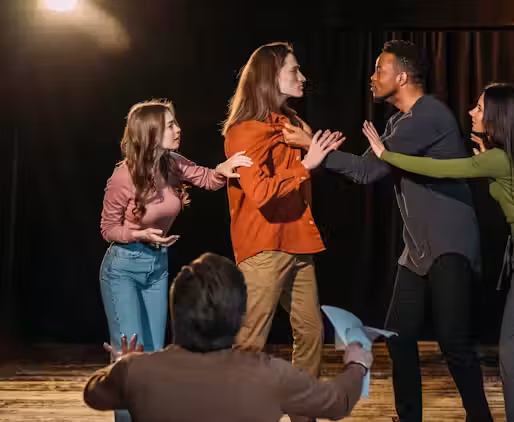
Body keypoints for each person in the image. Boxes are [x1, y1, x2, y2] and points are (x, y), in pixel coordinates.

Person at [283, 40, 493, 422]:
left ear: (402, 77)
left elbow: (367, 170)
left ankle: (481, 418)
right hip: (417, 250)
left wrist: (310, 146)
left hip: (449, 244)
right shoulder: (397, 122)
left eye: (380, 69)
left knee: (454, 342)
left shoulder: (428, 116)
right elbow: (363, 169)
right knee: (399, 335)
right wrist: (315, 145)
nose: (372, 76)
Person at [365, 82, 514, 422]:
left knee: (513, 355)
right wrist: (484, 161)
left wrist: (385, 154)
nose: (471, 112)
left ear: (498, 116)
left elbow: (441, 168)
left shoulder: (498, 159)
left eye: (479, 108)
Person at [84, 252, 373, 422]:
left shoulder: (137, 372)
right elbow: (336, 402)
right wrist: (357, 365)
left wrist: (121, 363)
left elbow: (94, 394)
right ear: (239, 317)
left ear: (176, 312)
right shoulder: (270, 374)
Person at [99, 99, 252, 420]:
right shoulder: (124, 176)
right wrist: (139, 234)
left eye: (176, 123)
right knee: (129, 356)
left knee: (154, 355)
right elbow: (108, 228)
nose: (178, 129)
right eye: (170, 125)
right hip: (123, 268)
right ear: (150, 132)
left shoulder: (172, 163)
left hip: (157, 267)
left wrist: (223, 170)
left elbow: (206, 178)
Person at [221, 42, 344, 422]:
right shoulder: (244, 132)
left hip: (297, 241)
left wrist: (312, 149)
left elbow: (305, 169)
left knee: (311, 333)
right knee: (250, 339)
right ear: (270, 77)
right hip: (264, 245)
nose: (302, 77)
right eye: (294, 70)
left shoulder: (291, 124)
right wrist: (307, 164)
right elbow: (260, 192)